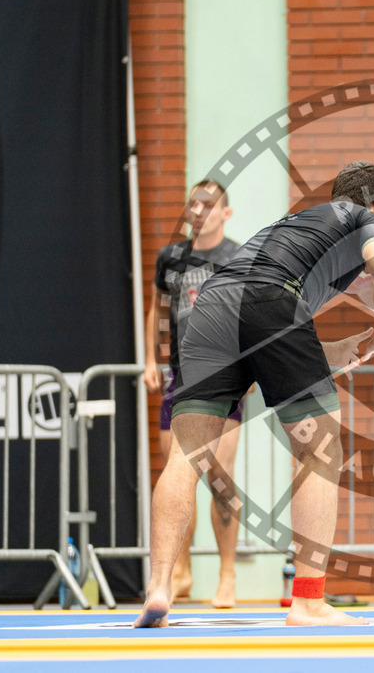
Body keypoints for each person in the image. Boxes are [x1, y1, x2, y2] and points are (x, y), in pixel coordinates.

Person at [134, 161, 374, 628]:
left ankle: (159, 588)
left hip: (212, 310)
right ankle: (308, 601)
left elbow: (259, 313)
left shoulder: (297, 225)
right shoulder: (365, 217)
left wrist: (326, 350)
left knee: (186, 454)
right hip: (269, 302)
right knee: (319, 451)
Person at [143, 179, 246, 608]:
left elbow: (251, 314)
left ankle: (227, 575)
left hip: (225, 376)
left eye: (209, 204)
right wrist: (150, 359)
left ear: (226, 213)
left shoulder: (238, 256)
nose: (199, 211)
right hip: (180, 377)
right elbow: (157, 307)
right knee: (178, 473)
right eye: (193, 204)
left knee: (220, 477)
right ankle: (179, 571)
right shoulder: (171, 257)